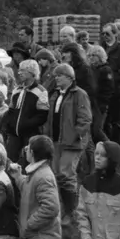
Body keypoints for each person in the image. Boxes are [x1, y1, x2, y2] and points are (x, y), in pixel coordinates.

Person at [45, 62, 92, 223]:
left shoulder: (80, 94)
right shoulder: (55, 94)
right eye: (55, 75)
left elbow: (85, 119)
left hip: (72, 143)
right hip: (56, 141)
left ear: (70, 77)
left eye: (60, 75)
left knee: (66, 175)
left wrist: (76, 136)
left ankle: (71, 211)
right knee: (56, 175)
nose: (56, 78)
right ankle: (61, 209)